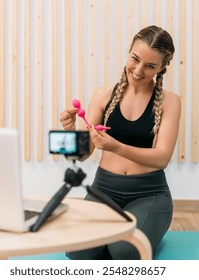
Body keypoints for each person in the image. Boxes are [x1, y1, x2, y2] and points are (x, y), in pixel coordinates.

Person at [59, 25, 181, 260]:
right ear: (128, 53)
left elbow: (162, 157)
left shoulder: (170, 102)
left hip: (149, 194)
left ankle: (149, 224)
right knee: (77, 251)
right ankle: (120, 233)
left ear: (162, 68)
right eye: (135, 59)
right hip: (103, 190)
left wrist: (117, 147)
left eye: (150, 66)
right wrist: (70, 132)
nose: (137, 70)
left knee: (126, 252)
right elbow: (82, 154)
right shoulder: (103, 96)